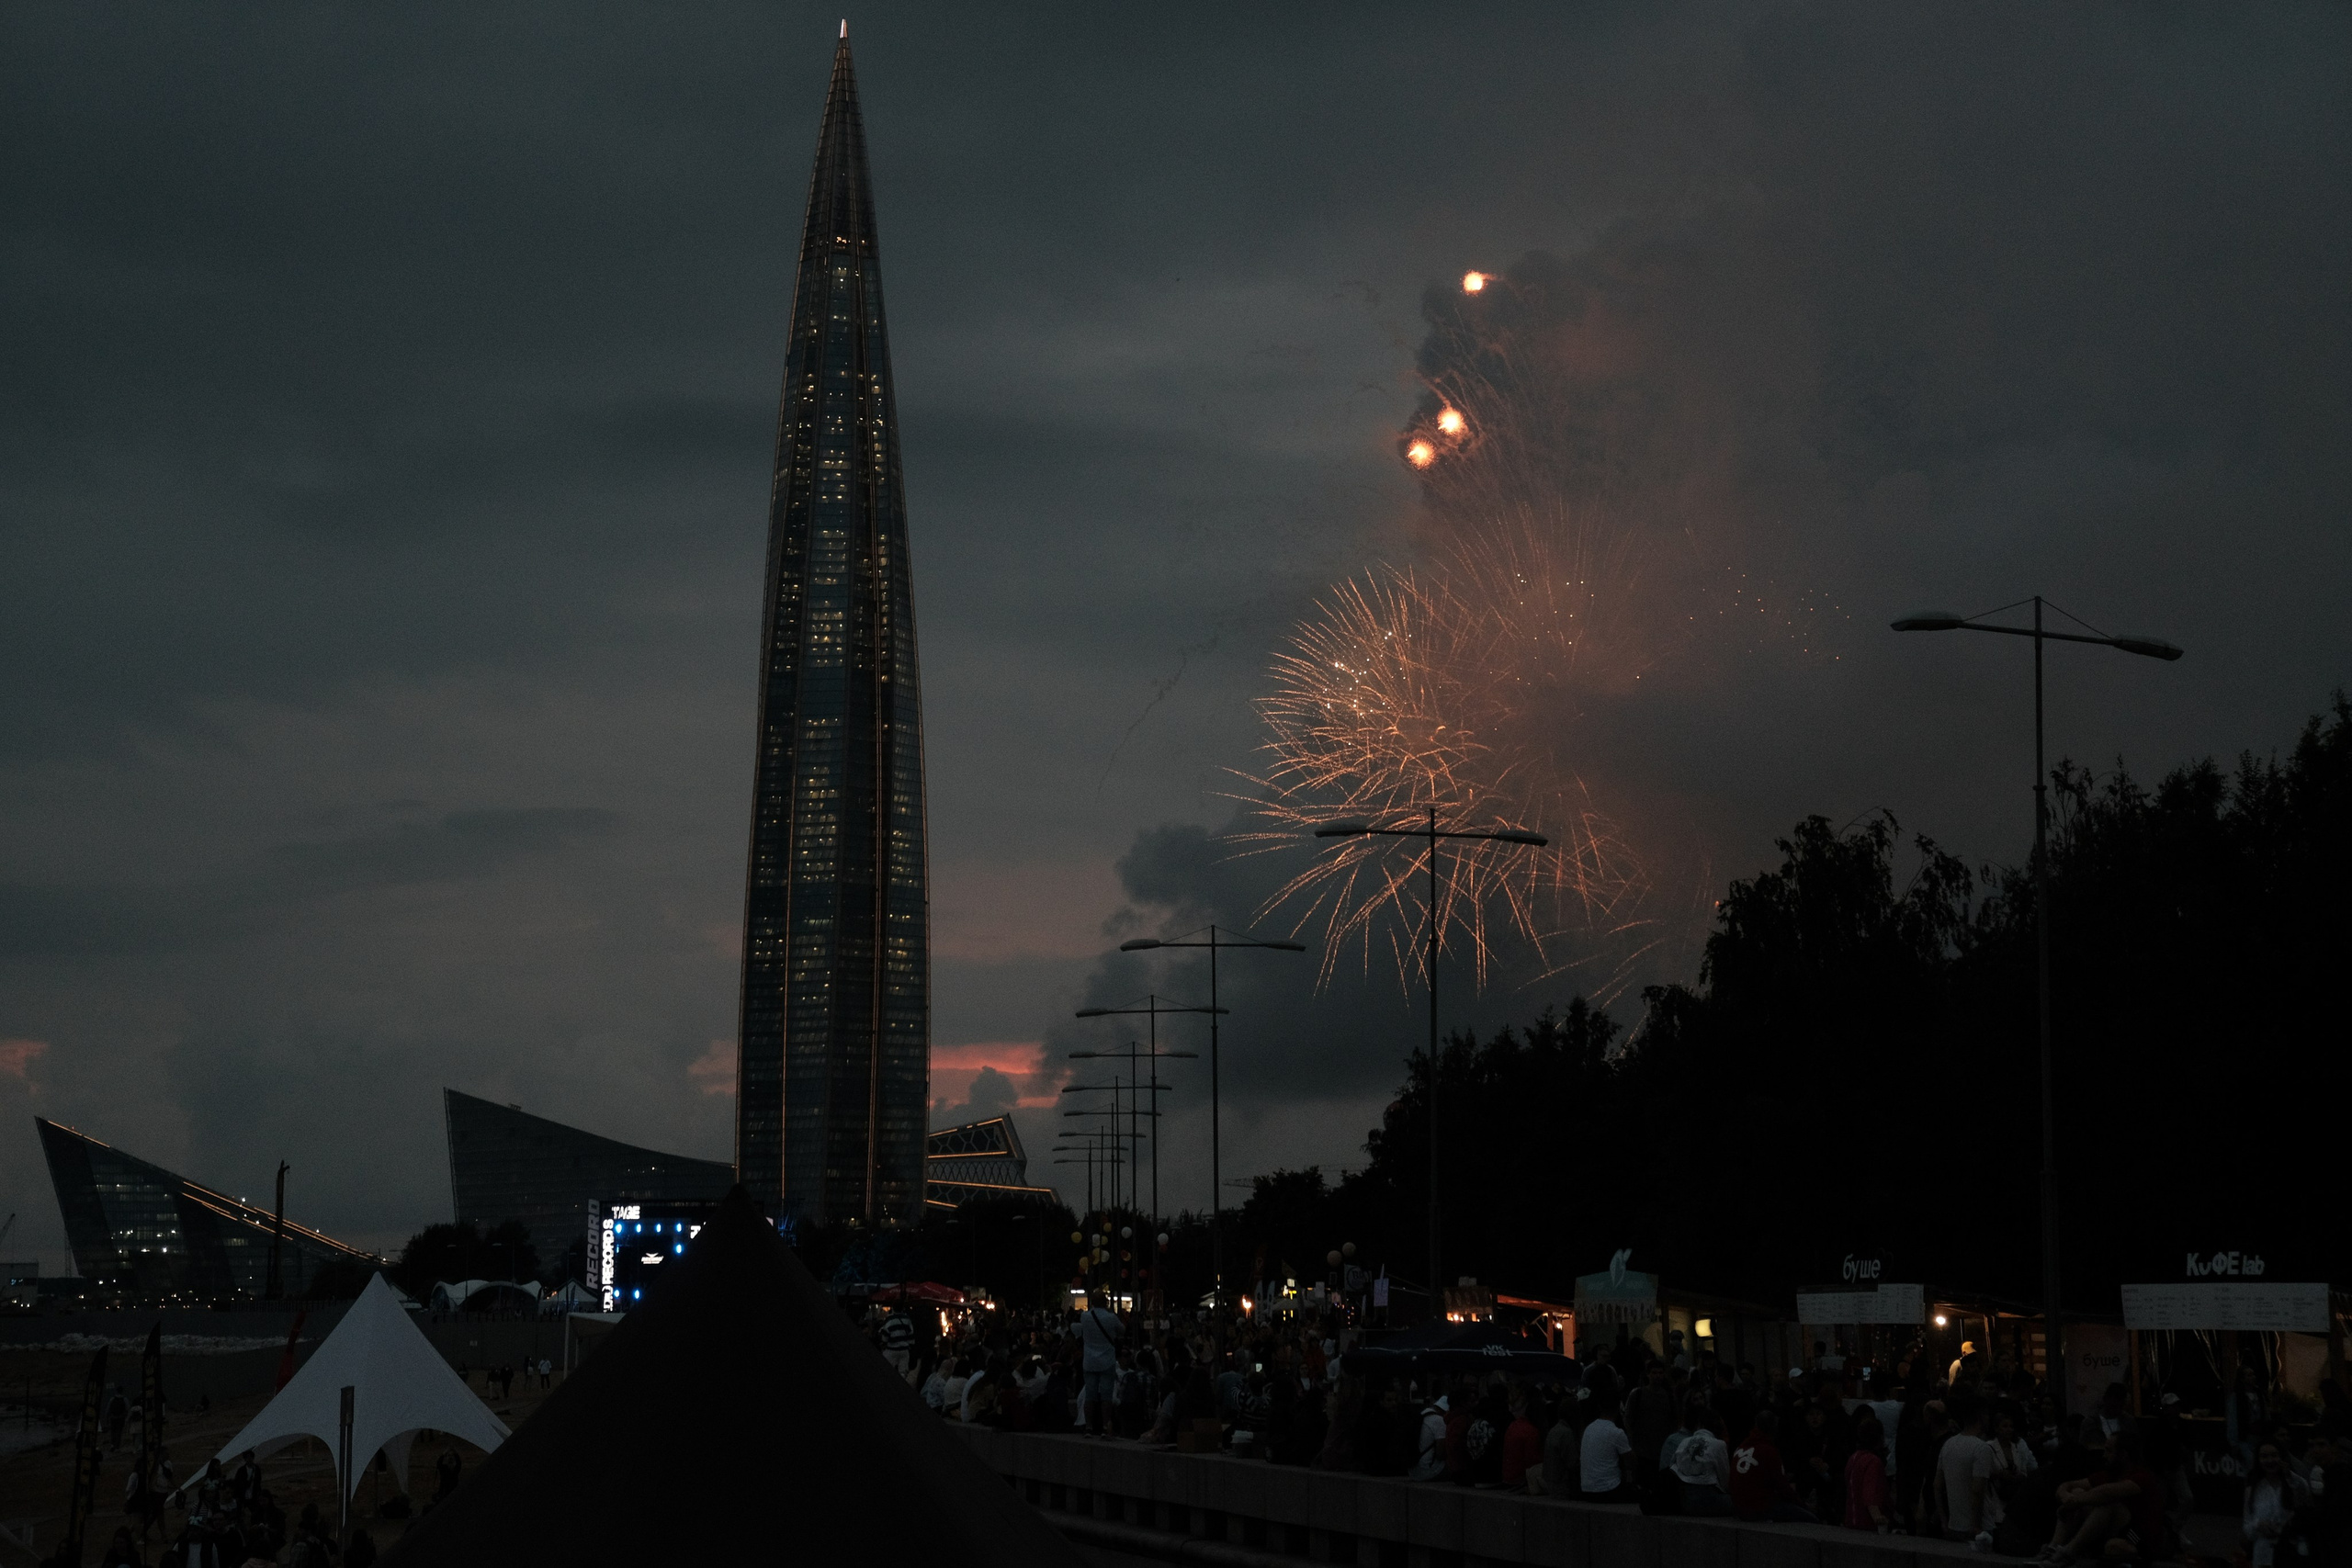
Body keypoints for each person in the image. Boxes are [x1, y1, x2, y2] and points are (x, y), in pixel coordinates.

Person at [2044, 1428, 2162, 1564]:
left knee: (2107, 1505)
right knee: (2078, 1491)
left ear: (2123, 1454)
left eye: (2109, 1451)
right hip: (2116, 1532)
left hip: (2139, 1538)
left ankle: (2069, 1551)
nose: (2104, 1455)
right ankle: (2053, 1547)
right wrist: (2066, 1495)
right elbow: (2069, 1485)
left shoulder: (2142, 1477)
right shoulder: (2110, 1474)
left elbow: (2106, 1493)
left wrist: (2072, 1502)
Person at [1729, 1409, 1816, 1524]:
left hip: (1740, 1507)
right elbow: (1783, 1487)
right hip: (1758, 1508)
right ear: (1774, 1428)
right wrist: (1803, 1505)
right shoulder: (1767, 1451)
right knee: (1811, 1519)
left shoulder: (1741, 1448)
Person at [1936, 1393, 1996, 1545]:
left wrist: (1944, 1520)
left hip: (1954, 1525)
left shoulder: (1948, 1444)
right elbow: (1977, 1490)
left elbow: (1937, 1486)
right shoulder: (1982, 1448)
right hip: (1979, 1527)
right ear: (1981, 1416)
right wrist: (1976, 1525)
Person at [2245, 1438, 2312, 1568]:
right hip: (2263, 1555)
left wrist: (2289, 1475)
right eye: (2264, 1456)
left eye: (2274, 1455)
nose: (2270, 1460)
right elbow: (2247, 1527)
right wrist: (2258, 1525)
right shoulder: (2252, 1489)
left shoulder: (2292, 1483)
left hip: (2289, 1554)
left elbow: (2305, 1491)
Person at [1668, 1404, 1734, 1517]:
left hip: (1685, 1499)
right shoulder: (1719, 1444)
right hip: (1708, 1496)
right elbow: (1725, 1478)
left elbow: (1672, 1465)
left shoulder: (1684, 1442)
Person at [1624, 1360, 1679, 1495]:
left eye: (1660, 1373)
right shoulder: (1638, 1395)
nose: (1657, 1376)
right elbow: (1628, 1420)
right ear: (1648, 1374)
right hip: (1643, 1450)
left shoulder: (1669, 1397)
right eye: (1654, 1373)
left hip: (1660, 1450)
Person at [1076, 1294, 1124, 1438]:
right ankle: (1105, 1426)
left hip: (1089, 1361)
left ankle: (1089, 1427)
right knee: (1106, 1396)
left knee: (1090, 1396)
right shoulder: (1111, 1317)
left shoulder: (1085, 1317)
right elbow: (1122, 1330)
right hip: (1107, 1360)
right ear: (1106, 1303)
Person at [1579, 1389, 1636, 1503]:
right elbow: (1632, 1462)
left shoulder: (1589, 1429)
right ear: (1617, 1408)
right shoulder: (1616, 1432)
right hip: (1609, 1489)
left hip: (1586, 1489)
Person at [1846, 1414, 1892, 1532]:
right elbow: (1870, 1495)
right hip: (1867, 1523)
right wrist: (1878, 1517)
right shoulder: (1873, 1462)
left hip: (1852, 1519)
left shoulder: (1854, 1457)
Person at [1498, 1384, 1542, 1491]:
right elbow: (1532, 1460)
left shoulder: (1513, 1425)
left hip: (1508, 1476)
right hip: (1519, 1479)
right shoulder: (1531, 1431)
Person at [879, 1310, 915, 1377]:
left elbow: (885, 1336)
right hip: (904, 1349)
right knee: (903, 1372)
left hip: (891, 1349)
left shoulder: (889, 1319)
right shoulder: (907, 1319)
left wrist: (884, 1342)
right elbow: (911, 1334)